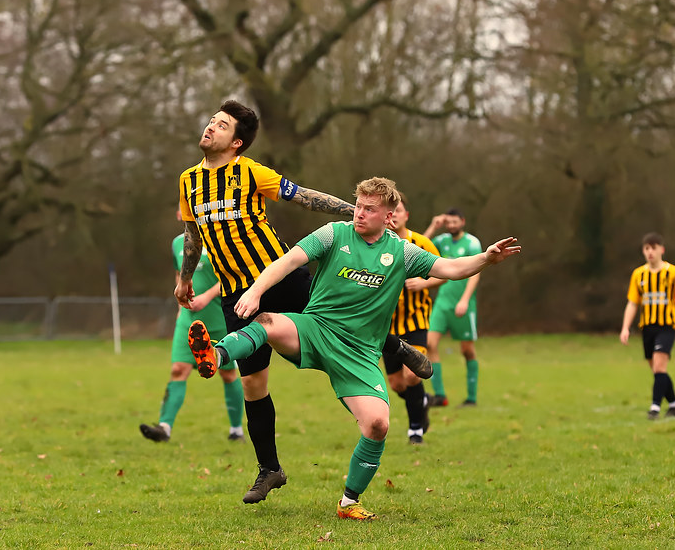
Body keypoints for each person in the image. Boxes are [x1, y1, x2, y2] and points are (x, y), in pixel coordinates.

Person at [186, 177, 521, 520]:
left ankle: (349, 502)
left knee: (377, 425)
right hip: (316, 329)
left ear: (388, 216)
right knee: (267, 322)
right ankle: (216, 355)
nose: (359, 213)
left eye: (369, 209)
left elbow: (449, 268)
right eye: (358, 206)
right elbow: (288, 261)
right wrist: (256, 290)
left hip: (360, 353)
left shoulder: (402, 252)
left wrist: (486, 258)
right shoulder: (333, 234)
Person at [175, 101, 432, 505]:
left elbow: (305, 197)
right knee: (253, 385)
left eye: (221, 125)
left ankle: (397, 348)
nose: (210, 127)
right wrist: (185, 277)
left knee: (337, 321)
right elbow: (193, 234)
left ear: (236, 142)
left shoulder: (250, 171)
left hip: (279, 276)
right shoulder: (188, 181)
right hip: (236, 291)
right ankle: (269, 470)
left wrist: (358, 213)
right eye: (211, 121)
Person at [140, 210, 245, 443]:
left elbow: (233, 277)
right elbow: (180, 275)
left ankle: (236, 430)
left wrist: (207, 296)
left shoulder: (222, 240)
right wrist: (180, 307)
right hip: (187, 320)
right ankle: (164, 428)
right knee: (178, 369)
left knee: (228, 373)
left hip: (219, 318)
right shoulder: (177, 243)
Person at [382, 193, 446, 444]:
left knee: (412, 376)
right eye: (391, 211)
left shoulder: (421, 243)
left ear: (406, 215)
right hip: (386, 325)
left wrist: (423, 283)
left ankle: (415, 430)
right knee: (397, 384)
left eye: (399, 210)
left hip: (416, 321)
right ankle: (423, 401)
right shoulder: (375, 243)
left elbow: (445, 272)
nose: (394, 215)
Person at [619, 232, 675, 420]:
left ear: (662, 250)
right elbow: (632, 303)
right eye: (647, 248)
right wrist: (625, 327)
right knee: (657, 370)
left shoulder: (674, 273)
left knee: (660, 367)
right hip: (647, 327)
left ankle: (654, 407)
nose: (650, 252)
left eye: (653, 248)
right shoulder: (638, 274)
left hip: (667, 326)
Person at [423, 208, 484, 407]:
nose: (451, 225)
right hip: (442, 302)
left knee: (467, 350)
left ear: (462, 221)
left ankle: (472, 398)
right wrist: (433, 227)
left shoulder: (472, 243)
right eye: (448, 222)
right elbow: (417, 248)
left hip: (463, 303)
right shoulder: (441, 241)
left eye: (454, 222)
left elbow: (476, 273)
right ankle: (440, 396)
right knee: (429, 344)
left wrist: (465, 300)